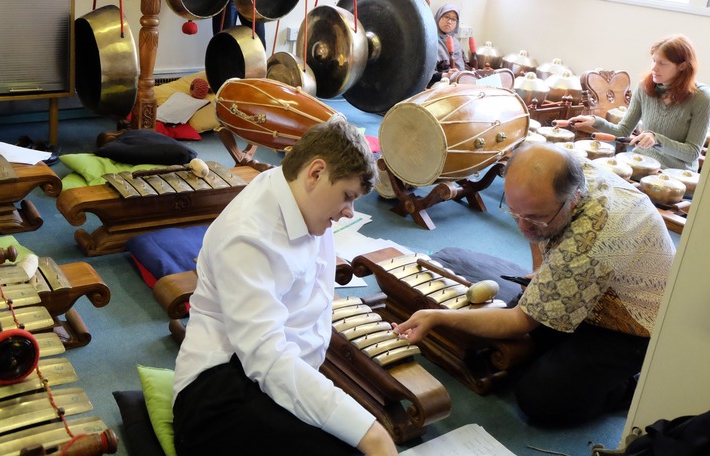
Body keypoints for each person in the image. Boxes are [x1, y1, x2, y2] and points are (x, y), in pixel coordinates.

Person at [393, 142, 675, 426]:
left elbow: (519, 321)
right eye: (514, 211)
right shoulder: (568, 172)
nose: (522, 226)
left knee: (539, 398)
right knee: (508, 346)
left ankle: (630, 386)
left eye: (537, 217)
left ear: (573, 199)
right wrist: (541, 270)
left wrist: (438, 317)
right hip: (591, 281)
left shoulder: (589, 240)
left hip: (634, 325)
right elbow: (538, 231)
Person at [172, 117, 397, 455]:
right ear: (316, 173)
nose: (349, 212)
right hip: (218, 390)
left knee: (356, 435)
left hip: (266, 368)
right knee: (363, 444)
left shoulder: (300, 200)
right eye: (347, 197)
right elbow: (266, 357)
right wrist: (371, 434)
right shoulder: (247, 236)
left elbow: (312, 296)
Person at [569, 34, 710, 171]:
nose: (654, 67)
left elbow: (692, 153)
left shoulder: (702, 98)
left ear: (682, 66)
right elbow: (623, 131)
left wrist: (657, 139)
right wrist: (595, 121)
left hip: (674, 174)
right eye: (654, 60)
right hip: (639, 163)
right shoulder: (645, 87)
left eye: (662, 63)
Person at [426, 4, 468, 87]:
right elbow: (425, 74)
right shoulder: (429, 41)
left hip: (460, 84)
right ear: (438, 17)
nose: (449, 22)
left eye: (453, 19)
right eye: (446, 17)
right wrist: (445, 75)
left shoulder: (456, 43)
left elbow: (464, 65)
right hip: (438, 86)